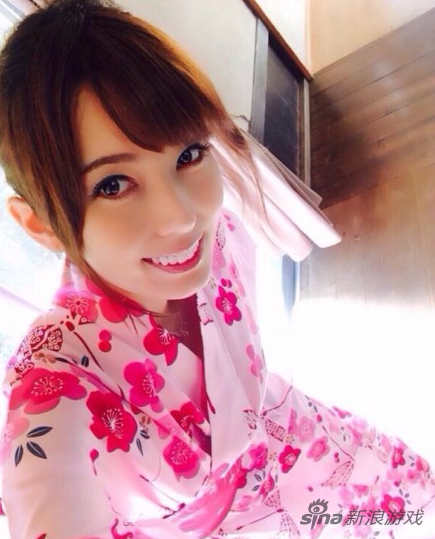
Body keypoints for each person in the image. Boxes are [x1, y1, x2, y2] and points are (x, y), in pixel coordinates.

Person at [0, 1, 433, 538]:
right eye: (113, 184)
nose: (182, 216)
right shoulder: (53, 382)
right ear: (40, 223)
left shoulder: (218, 236)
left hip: (310, 444)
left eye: (188, 154)